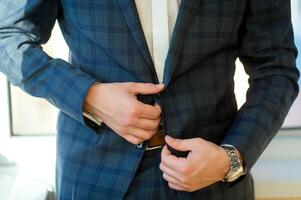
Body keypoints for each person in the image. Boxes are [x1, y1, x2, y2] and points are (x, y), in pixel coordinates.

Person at [0, 0, 299, 199]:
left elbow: (276, 68)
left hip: (213, 182)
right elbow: (9, 37)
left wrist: (232, 157)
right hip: (95, 178)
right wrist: (90, 97)